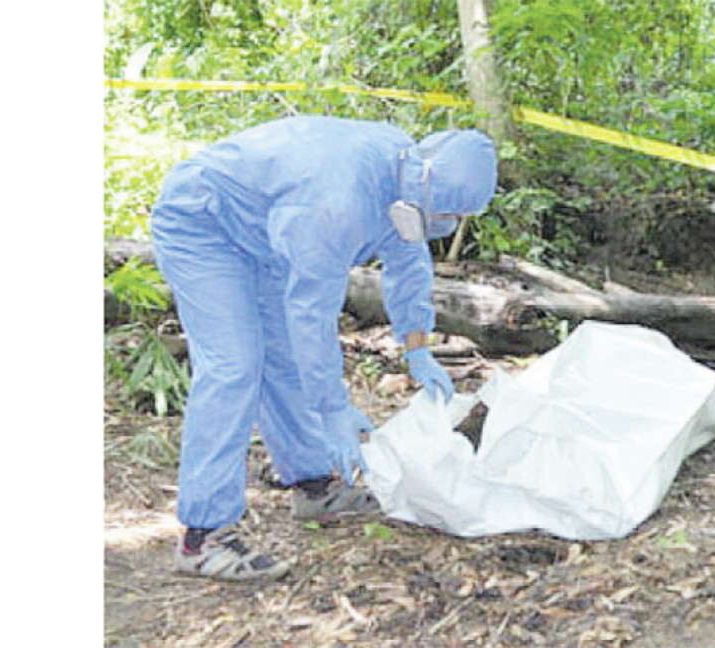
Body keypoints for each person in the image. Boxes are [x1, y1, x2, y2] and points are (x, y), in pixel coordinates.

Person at [149, 115, 498, 581]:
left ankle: (313, 485)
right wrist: (332, 408)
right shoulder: (338, 206)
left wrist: (418, 345)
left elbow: (408, 257)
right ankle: (203, 536)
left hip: (265, 236)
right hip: (202, 224)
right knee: (234, 366)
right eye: (453, 215)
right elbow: (310, 316)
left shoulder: (406, 178)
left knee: (282, 360)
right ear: (431, 186)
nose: (453, 224)